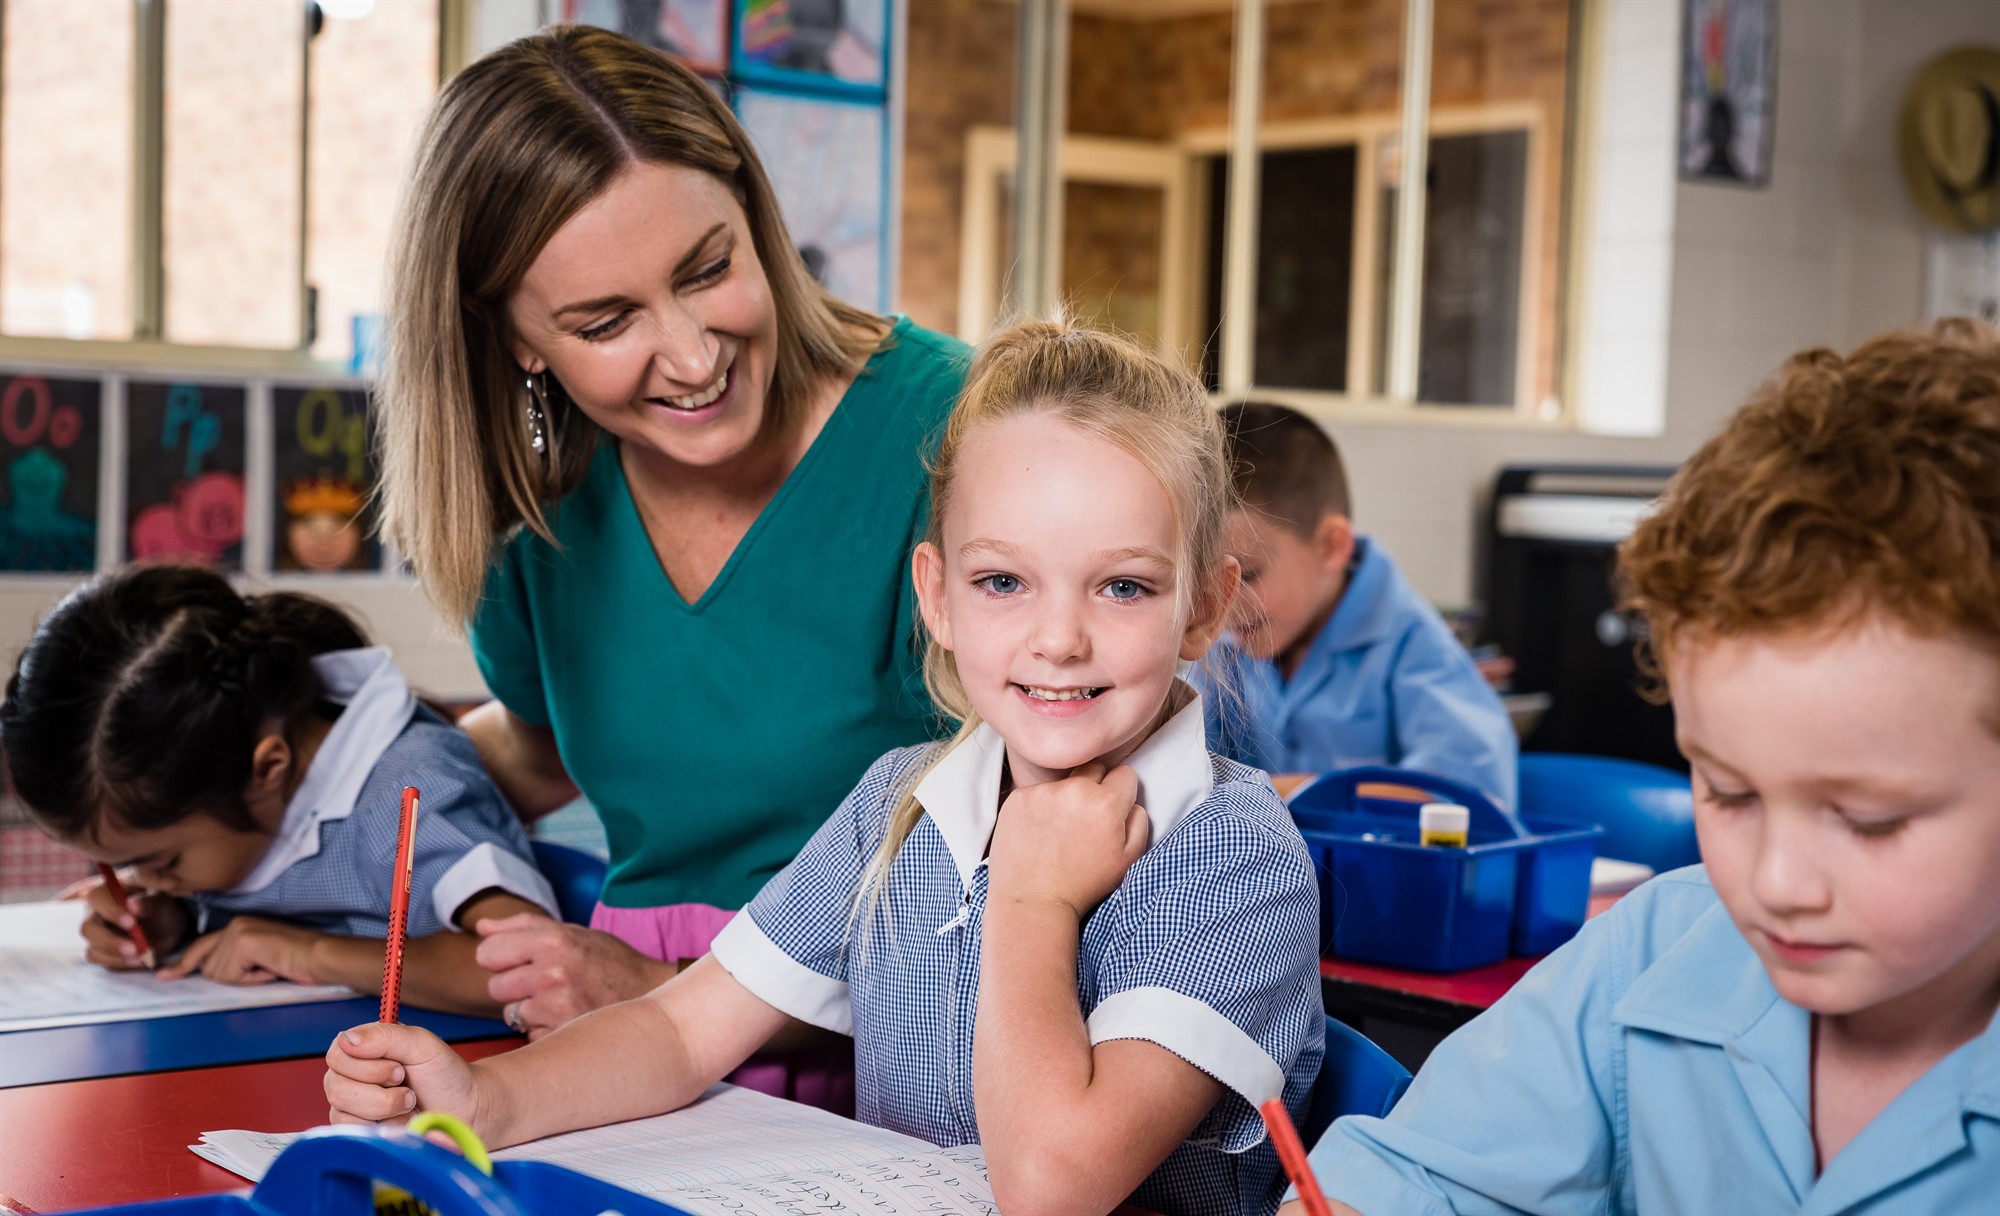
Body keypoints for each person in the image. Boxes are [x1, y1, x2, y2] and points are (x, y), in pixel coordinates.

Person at [328, 321, 1327, 1216]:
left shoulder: (1232, 854)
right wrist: (485, 1098)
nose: (1056, 638)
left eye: (1120, 585)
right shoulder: (899, 802)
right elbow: (680, 1032)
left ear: (1202, 605)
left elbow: (1050, 1187)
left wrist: (1030, 899)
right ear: (935, 596)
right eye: (1001, 581)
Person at [1278, 320, 2000, 1214]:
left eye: (1869, 818)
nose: (1775, 884)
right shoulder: (1655, 950)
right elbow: (1412, 1177)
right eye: (1728, 792)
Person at [373, 26, 968, 1043]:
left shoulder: (955, 435)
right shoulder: (537, 509)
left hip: (898, 1079)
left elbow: (1036, 902)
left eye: (705, 270)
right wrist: (248, 852)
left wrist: (661, 989)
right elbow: (531, 752)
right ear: (517, 340)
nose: (692, 357)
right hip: (638, 1065)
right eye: (606, 324)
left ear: (754, 215)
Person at [0, 564, 557, 1016]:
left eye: (163, 862)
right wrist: (171, 921)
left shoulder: (404, 794)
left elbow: (532, 970)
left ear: (267, 768)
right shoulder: (233, 801)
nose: (144, 882)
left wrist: (310, 953)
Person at [1208, 401, 1516, 808]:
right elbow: (1179, 768)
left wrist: (1262, 795)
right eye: (1204, 580)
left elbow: (1473, 801)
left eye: (1247, 575)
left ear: (1331, 546)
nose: (1223, 607)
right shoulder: (1220, 643)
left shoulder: (1412, 645)